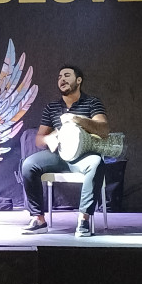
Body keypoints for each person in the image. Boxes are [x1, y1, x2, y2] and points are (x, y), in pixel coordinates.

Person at [21, 65, 109, 237]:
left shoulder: (92, 102)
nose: (62, 79)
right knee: (28, 165)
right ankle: (38, 220)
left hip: (83, 156)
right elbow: (39, 139)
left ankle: (83, 220)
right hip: (59, 156)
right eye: (59, 76)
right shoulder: (52, 107)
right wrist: (48, 139)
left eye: (67, 75)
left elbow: (104, 129)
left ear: (79, 80)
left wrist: (78, 120)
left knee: (96, 163)